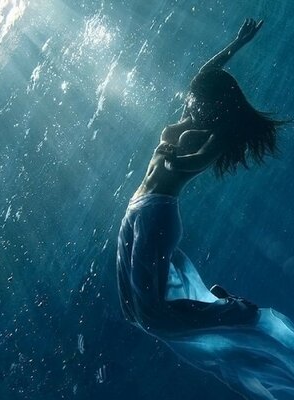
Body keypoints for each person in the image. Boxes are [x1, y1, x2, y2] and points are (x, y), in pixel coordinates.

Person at [116, 18, 284, 336]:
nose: (193, 95)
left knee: (154, 312)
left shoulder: (216, 134)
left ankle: (235, 310)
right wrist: (237, 43)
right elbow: (205, 73)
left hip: (158, 213)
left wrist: (173, 160)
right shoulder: (189, 115)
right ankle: (215, 304)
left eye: (200, 95)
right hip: (135, 209)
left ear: (213, 102)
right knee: (132, 306)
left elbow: (196, 162)